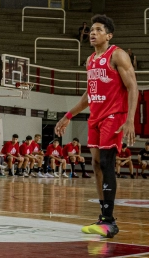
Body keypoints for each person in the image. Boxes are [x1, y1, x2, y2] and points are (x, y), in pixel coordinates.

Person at [55, 14, 137, 239]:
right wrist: (68, 115)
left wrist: (130, 119)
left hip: (114, 116)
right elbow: (89, 94)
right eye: (91, 30)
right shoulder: (90, 60)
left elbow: (133, 86)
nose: (93, 33)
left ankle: (110, 221)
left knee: (108, 162)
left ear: (109, 35)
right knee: (97, 164)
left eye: (99, 30)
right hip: (95, 117)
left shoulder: (117, 55)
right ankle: (103, 217)